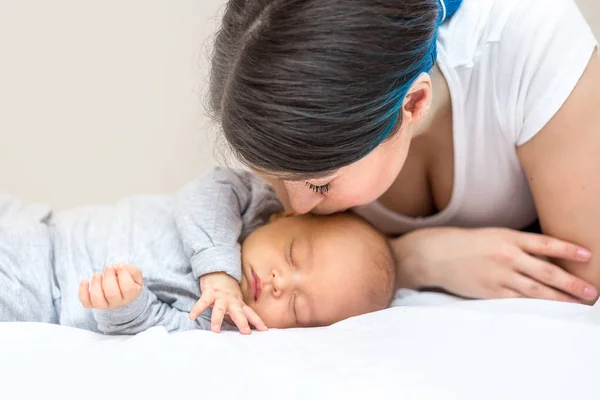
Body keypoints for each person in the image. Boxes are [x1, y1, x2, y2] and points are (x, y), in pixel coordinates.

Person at [208, 0, 600, 304]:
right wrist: (413, 259)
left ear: (413, 104)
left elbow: (582, 280)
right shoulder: (293, 117)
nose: (292, 207)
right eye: (270, 174)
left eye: (321, 185)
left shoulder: (528, 40)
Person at [0, 168, 395, 334]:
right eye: (293, 256)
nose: (279, 282)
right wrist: (219, 274)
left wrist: (125, 306)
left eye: (297, 305)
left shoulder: (225, 322)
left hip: (39, 293)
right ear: (285, 217)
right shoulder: (248, 202)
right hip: (42, 226)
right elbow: (204, 190)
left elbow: (160, 325)